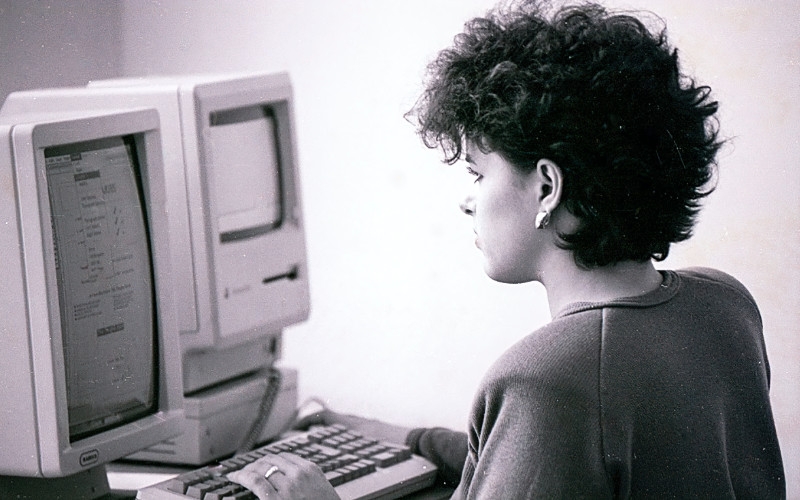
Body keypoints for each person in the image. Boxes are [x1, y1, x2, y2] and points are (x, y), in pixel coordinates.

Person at [228, 0, 786, 498]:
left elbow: (556, 420)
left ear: (547, 186)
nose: (468, 202)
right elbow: (547, 450)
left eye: (477, 172)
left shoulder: (544, 382)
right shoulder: (726, 305)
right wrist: (395, 437)